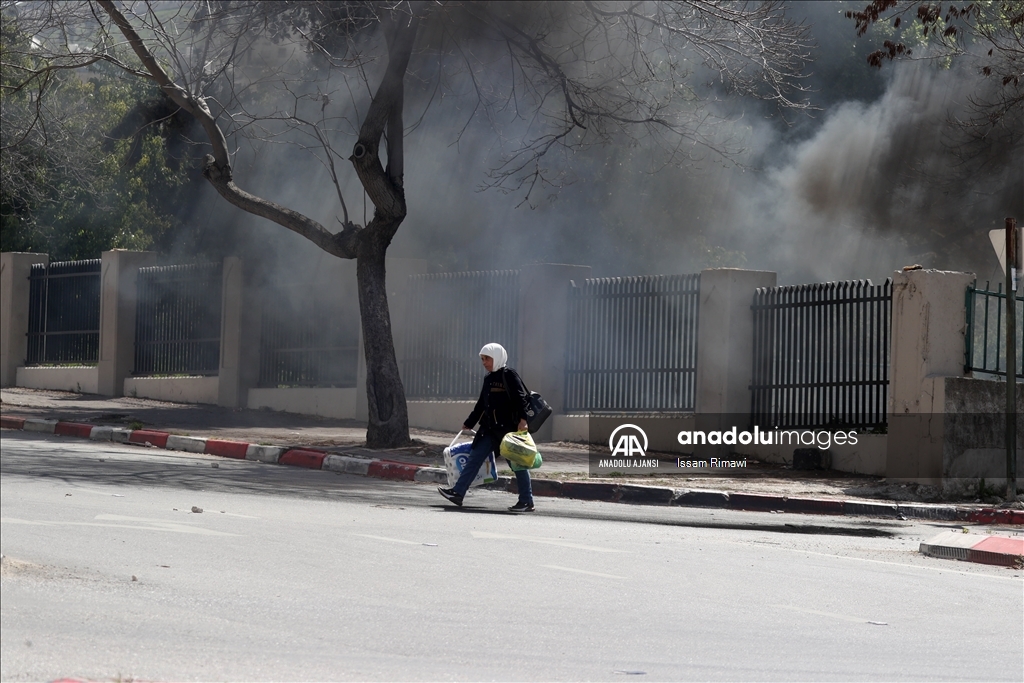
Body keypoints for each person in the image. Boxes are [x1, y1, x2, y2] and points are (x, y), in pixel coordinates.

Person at [438, 342, 535, 512]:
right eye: (482, 359)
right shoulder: (488, 378)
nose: (484, 362)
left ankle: (526, 501)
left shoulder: (509, 375)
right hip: (489, 430)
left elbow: (521, 400)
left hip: (508, 431)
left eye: (487, 359)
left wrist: (523, 420)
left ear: (497, 357)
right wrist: (469, 422)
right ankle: (457, 493)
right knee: (474, 459)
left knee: (517, 465)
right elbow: (482, 404)